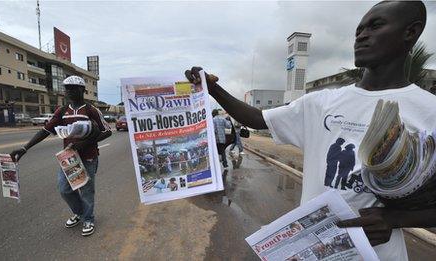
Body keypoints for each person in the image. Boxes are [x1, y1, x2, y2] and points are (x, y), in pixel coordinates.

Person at [185, 1, 434, 259]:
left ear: (410, 32)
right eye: (358, 30)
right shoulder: (321, 102)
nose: (361, 35)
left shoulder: (429, 111)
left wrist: (395, 218)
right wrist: (213, 89)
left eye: (375, 26)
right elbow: (258, 118)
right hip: (316, 251)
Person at [10, 75, 112, 237]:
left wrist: (84, 143)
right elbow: (45, 130)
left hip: (89, 157)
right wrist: (25, 148)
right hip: (69, 158)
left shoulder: (91, 109)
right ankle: (80, 213)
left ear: (82, 90)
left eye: (73, 88)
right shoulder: (62, 111)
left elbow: (107, 131)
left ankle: (88, 219)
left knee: (86, 190)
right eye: (67, 88)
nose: (69, 91)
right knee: (65, 189)